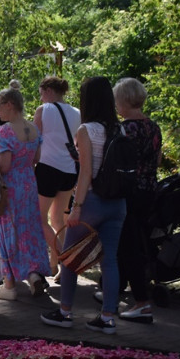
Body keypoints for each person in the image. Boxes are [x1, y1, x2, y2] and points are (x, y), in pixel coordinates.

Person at [40, 76, 126, 334]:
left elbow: (87, 172)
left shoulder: (86, 130)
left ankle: (65, 312)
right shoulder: (119, 129)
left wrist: (76, 207)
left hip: (92, 202)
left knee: (69, 258)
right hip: (117, 202)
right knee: (110, 260)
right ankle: (108, 317)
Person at [0, 87, 49, 300]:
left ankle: (9, 284)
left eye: (0, 107)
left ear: (9, 105)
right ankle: (33, 273)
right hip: (29, 183)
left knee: (7, 231)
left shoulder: (4, 132)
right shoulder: (33, 128)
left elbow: (4, 166)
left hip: (11, 186)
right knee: (29, 230)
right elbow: (36, 158)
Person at [113, 77, 163, 322]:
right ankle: (124, 291)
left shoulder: (126, 129)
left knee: (128, 246)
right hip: (150, 190)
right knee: (137, 241)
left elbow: (120, 162)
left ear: (123, 100)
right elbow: (159, 160)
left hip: (130, 191)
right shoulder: (153, 127)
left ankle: (141, 301)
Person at [33, 76, 81, 269]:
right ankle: (58, 265)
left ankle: (63, 257)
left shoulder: (43, 110)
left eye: (41, 94)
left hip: (48, 167)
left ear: (49, 91)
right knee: (58, 218)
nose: (41, 98)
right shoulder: (77, 112)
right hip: (69, 170)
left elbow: (34, 140)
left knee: (40, 217)